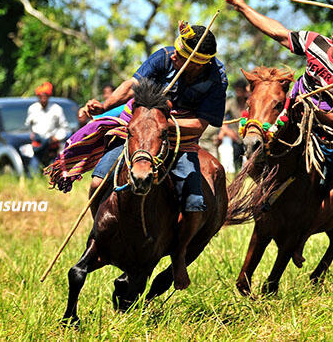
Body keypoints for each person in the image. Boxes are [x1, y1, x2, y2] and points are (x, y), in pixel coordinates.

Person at [76, 20, 228, 290]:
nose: (173, 55)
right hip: (141, 132)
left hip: (181, 138)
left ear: (197, 63)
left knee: (195, 204)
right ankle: (103, 238)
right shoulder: (162, 56)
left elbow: (200, 125)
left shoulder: (216, 79)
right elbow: (131, 85)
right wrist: (106, 105)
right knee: (98, 182)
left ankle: (179, 256)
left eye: (180, 55)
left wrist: (160, 125)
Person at [225, 0, 333, 203]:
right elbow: (279, 33)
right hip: (288, 112)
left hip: (323, 127)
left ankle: (323, 207)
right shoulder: (315, 42)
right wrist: (243, 7)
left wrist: (312, 112)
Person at [24, 82, 70, 177]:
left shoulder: (56, 109)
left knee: (53, 174)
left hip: (51, 147)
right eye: (41, 95)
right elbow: (27, 126)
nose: (43, 98)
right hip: (37, 146)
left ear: (49, 96)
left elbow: (64, 128)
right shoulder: (32, 109)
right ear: (38, 96)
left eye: (45, 95)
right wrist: (32, 135)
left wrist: (57, 137)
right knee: (33, 173)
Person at [218, 79, 249, 171]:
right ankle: (237, 175)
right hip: (236, 136)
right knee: (237, 158)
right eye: (237, 91)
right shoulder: (231, 102)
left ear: (245, 91)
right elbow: (221, 116)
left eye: (240, 91)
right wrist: (226, 130)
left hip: (249, 135)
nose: (238, 93)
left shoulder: (250, 101)